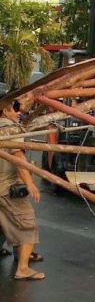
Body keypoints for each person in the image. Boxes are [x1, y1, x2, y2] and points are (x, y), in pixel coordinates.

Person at [0, 99, 44, 281]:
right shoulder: (11, 129)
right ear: (5, 111)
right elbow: (18, 157)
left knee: (4, 222)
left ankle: (21, 254)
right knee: (27, 223)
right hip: (5, 187)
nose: (19, 112)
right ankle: (23, 268)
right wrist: (30, 183)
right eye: (15, 108)